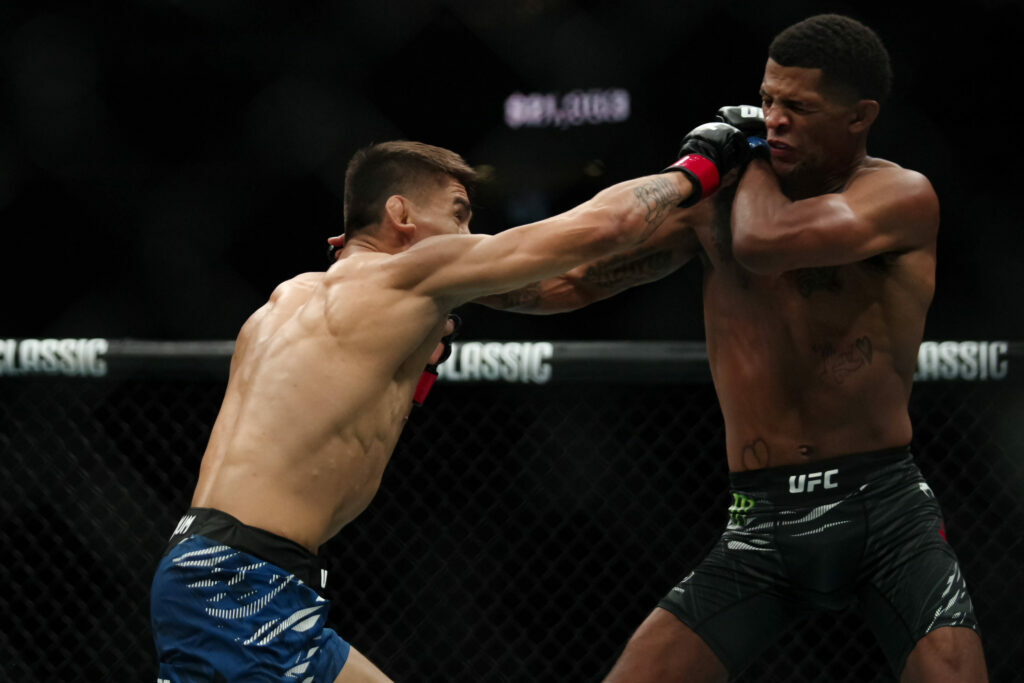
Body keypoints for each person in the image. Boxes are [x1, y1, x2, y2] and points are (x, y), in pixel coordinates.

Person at [481, 14, 988, 683]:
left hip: (886, 513)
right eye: (767, 100)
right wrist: (435, 284)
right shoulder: (716, 208)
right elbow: (568, 282)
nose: (773, 120)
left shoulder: (899, 196)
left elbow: (764, 243)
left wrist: (742, 157)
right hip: (760, 521)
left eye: (798, 107)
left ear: (859, 116)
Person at [149, 134, 749, 682]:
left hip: (227, 571)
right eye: (459, 213)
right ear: (401, 214)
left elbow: (568, 285)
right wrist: (701, 165)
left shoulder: (286, 300)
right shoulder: (407, 276)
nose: (467, 234)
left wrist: (690, 228)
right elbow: (604, 227)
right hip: (242, 585)